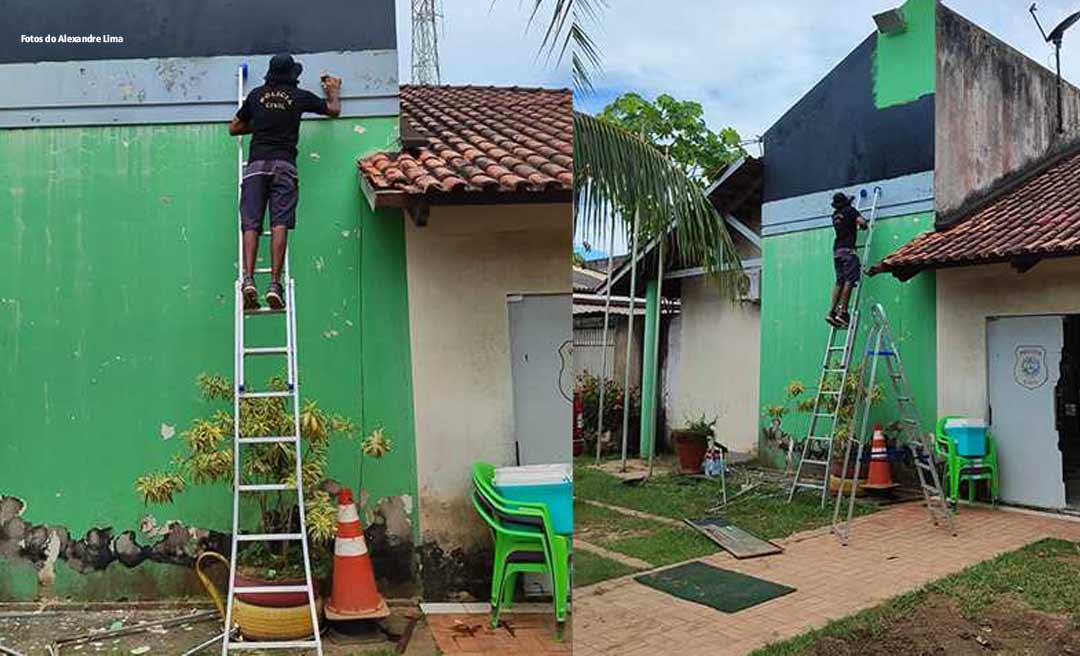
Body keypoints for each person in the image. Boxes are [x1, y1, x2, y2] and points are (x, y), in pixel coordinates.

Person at [229, 53, 341, 309]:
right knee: (279, 223)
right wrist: (333, 90)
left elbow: (233, 128)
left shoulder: (255, 95)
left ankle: (248, 280)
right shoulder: (298, 97)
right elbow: (333, 110)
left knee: (251, 224)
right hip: (284, 167)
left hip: (256, 167)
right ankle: (274, 285)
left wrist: (261, 124)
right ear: (292, 75)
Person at [826, 192, 868, 328]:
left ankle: (831, 312)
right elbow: (862, 222)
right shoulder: (850, 210)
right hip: (848, 250)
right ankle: (843, 312)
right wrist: (864, 224)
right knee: (849, 280)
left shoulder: (835, 215)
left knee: (839, 281)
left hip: (837, 251)